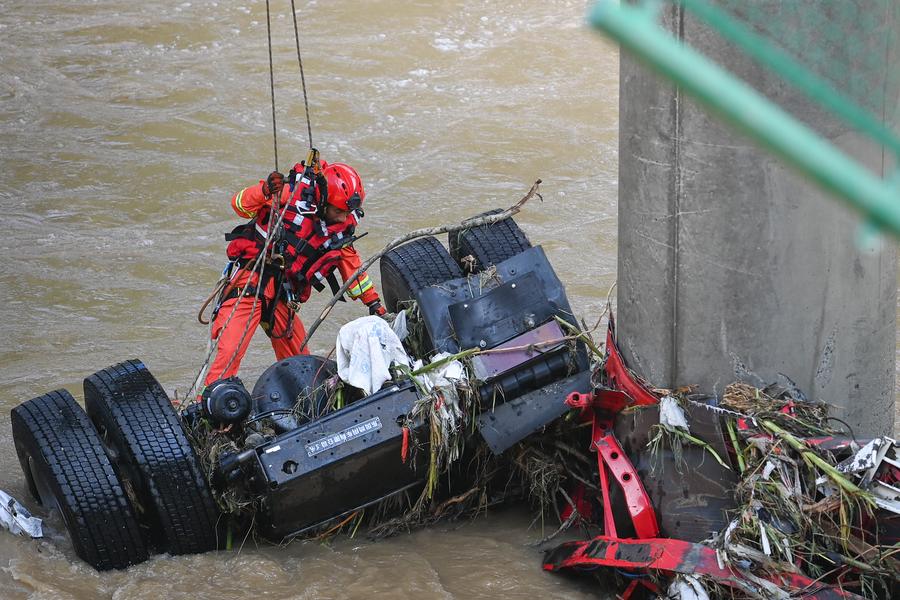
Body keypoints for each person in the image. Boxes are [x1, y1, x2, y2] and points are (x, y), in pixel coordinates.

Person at [204, 157, 385, 388]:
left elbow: (353, 271)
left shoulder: (340, 228)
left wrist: (374, 304)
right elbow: (239, 205)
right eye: (339, 210)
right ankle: (209, 400)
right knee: (231, 348)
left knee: (300, 361)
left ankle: (302, 400)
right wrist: (264, 191)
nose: (343, 217)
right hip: (250, 280)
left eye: (347, 211)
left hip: (283, 293)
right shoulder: (287, 194)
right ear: (324, 200)